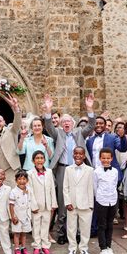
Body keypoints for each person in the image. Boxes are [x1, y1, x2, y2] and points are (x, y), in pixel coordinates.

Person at [42, 93, 95, 245]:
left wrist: (89, 108)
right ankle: (61, 233)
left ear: (73, 123)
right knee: (63, 201)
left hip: (79, 169)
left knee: (78, 200)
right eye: (63, 121)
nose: (66, 123)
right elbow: (48, 126)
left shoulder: (79, 132)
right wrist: (48, 110)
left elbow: (91, 125)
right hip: (62, 170)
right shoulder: (57, 133)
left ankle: (78, 234)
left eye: (68, 121)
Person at [63, 147, 95, 254]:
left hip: (85, 203)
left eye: (80, 154)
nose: (78, 156)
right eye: (76, 153)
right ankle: (72, 247)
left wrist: (91, 205)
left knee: (85, 227)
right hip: (72, 203)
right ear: (73, 155)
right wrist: (67, 202)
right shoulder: (68, 169)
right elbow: (65, 187)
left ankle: (84, 247)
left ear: (84, 156)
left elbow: (91, 188)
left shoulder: (90, 170)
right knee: (71, 227)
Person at [28, 150, 57, 254]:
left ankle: (45, 246)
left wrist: (54, 203)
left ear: (44, 160)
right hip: (36, 205)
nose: (39, 160)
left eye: (41, 158)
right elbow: (30, 190)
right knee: (36, 226)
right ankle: (37, 246)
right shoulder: (30, 174)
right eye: (37, 158)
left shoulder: (49, 172)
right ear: (33, 160)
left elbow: (52, 189)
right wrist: (33, 206)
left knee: (45, 226)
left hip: (47, 205)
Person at [0, 90, 23, 186]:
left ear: (4, 122)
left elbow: (17, 121)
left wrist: (16, 108)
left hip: (12, 170)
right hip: (0, 174)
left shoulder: (11, 130)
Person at [93, 148, 119, 254]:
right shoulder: (96, 172)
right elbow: (95, 187)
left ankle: (109, 246)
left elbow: (115, 184)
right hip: (101, 201)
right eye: (103, 158)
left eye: (108, 158)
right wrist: (98, 198)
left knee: (110, 224)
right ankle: (102, 247)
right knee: (102, 225)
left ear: (111, 158)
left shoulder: (115, 171)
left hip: (112, 200)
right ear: (100, 158)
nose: (106, 160)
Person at [9, 169, 33, 254]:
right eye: (19, 179)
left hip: (26, 216)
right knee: (17, 234)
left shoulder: (28, 190)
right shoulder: (13, 191)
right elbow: (11, 205)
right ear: (16, 181)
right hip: (17, 216)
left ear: (27, 180)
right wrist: (13, 216)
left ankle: (23, 249)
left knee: (24, 233)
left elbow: (29, 202)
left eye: (24, 179)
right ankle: (17, 250)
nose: (22, 181)